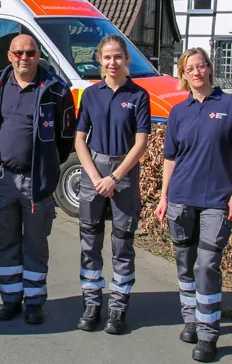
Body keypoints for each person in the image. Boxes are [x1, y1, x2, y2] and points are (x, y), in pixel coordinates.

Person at [155, 47, 232, 362]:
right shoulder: (179, 111)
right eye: (190, 68)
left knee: (207, 265)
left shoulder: (231, 105)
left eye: (202, 66)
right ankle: (191, 319)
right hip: (181, 198)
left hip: (217, 200)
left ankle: (209, 333)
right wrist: (163, 195)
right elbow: (170, 158)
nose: (197, 72)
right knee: (185, 263)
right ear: (183, 75)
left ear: (210, 69)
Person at [0, 34, 75, 325]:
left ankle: (34, 302)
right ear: (9, 55)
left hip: (36, 184)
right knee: (6, 243)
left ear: (38, 55)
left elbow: (65, 139)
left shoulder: (56, 90)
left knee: (35, 245)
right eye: (19, 53)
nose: (25, 58)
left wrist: (46, 168)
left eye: (31, 53)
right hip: (3, 180)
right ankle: (10, 300)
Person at [74, 35, 152, 335]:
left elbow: (141, 142)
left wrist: (115, 177)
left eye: (118, 56)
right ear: (99, 60)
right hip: (94, 171)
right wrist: (95, 177)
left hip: (124, 174)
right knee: (89, 242)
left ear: (126, 59)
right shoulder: (91, 94)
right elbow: (80, 139)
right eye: (107, 57)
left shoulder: (138, 95)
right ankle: (92, 304)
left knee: (122, 243)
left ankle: (118, 309)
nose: (112, 62)